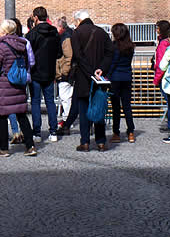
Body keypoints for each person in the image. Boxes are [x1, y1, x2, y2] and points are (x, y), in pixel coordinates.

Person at [0, 19, 36, 155]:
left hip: (4, 84)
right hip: (18, 83)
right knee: (21, 114)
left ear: (4, 31)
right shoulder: (22, 44)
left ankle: (3, 148)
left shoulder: (2, 47)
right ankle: (30, 146)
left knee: (2, 116)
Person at [70, 10, 113, 151]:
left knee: (83, 111)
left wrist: (90, 73)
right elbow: (110, 52)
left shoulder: (76, 33)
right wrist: (101, 69)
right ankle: (101, 142)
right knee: (98, 108)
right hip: (99, 78)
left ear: (78, 20)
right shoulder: (102, 32)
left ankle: (85, 141)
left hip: (83, 78)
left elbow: (79, 56)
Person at [28, 5, 62, 142]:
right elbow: (59, 53)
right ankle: (53, 131)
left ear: (35, 18)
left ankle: (37, 132)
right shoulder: (54, 32)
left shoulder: (32, 34)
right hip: (50, 71)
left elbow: (28, 54)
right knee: (50, 102)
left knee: (35, 102)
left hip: (35, 72)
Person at [107, 22, 136, 142]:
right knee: (127, 106)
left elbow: (113, 63)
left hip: (115, 78)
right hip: (127, 77)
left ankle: (116, 133)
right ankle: (130, 132)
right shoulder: (130, 46)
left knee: (116, 107)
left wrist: (107, 76)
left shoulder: (114, 46)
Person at [55, 16, 74, 134]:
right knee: (66, 97)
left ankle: (67, 120)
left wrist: (64, 72)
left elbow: (68, 56)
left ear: (61, 27)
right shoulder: (67, 36)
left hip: (65, 73)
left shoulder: (66, 38)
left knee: (65, 97)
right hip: (65, 72)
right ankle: (67, 118)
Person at [153, 18, 170, 130]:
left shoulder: (163, 43)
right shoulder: (165, 41)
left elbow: (161, 63)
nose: (156, 30)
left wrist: (156, 79)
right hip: (169, 75)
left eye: (158, 28)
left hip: (164, 76)